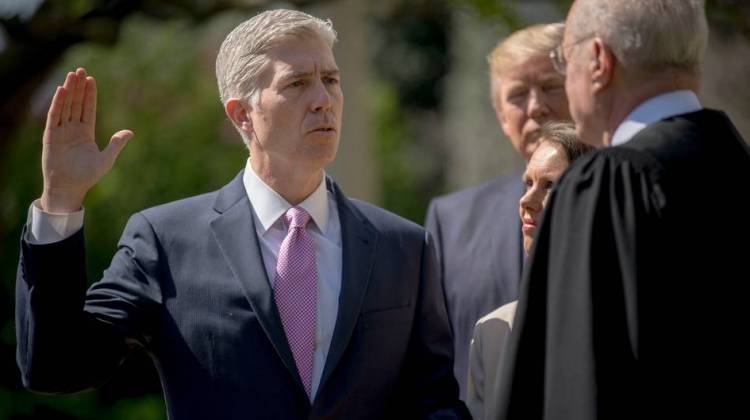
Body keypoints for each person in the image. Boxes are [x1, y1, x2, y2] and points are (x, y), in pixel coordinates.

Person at [15, 9, 469, 419]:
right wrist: (61, 199)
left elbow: (433, 399)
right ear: (241, 115)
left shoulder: (403, 245)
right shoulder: (166, 240)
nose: (323, 100)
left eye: (330, 80)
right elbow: (56, 368)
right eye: (296, 83)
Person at [497, 1, 750, 419]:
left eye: (564, 57)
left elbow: (579, 383)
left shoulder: (608, 182)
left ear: (598, 61)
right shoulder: (734, 162)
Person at [424, 22, 570, 399]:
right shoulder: (450, 220)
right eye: (518, 95)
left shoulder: (623, 201)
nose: (537, 106)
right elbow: (432, 360)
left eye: (552, 86)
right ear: (502, 116)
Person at [465, 122, 593, 420]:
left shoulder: (632, 320)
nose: (526, 201)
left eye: (549, 185)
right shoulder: (492, 333)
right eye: (528, 183)